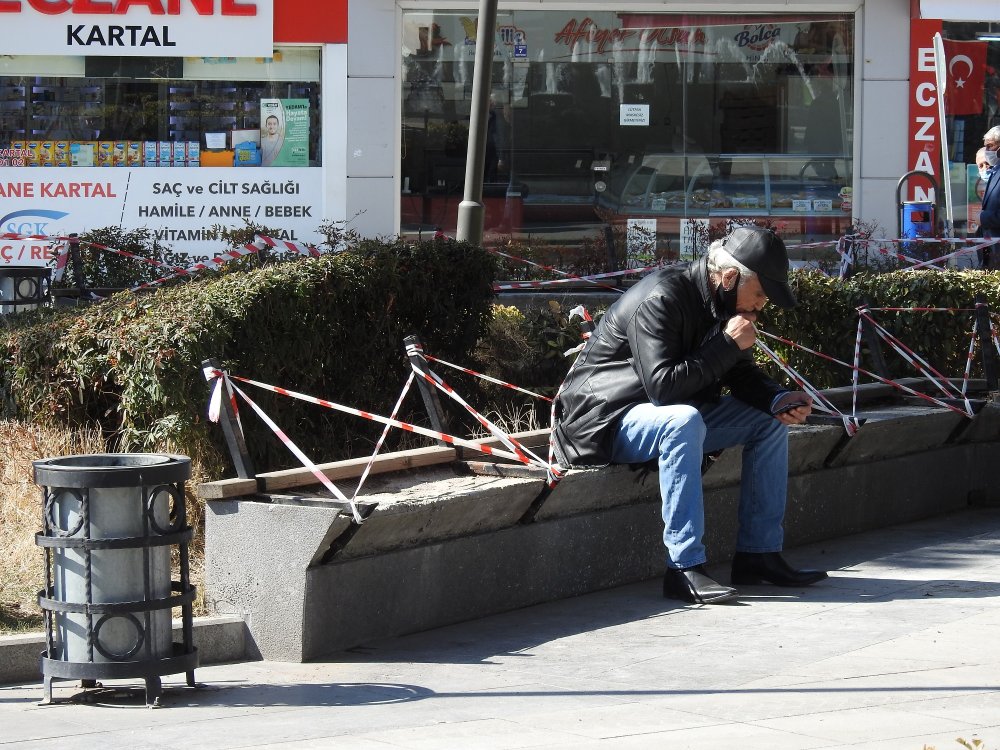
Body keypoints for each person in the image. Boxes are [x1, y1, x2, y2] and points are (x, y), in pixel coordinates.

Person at [551, 225, 827, 605]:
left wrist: (777, 399)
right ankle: (683, 568)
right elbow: (662, 388)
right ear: (730, 278)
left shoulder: (725, 302)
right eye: (761, 293)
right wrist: (728, 343)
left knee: (767, 421)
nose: (762, 305)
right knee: (682, 420)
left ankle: (758, 557)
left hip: (668, 417)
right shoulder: (662, 297)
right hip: (603, 421)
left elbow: (739, 374)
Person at [977, 127, 1000, 270]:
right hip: (991, 250)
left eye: (990, 146)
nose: (987, 151)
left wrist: (984, 218)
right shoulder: (995, 171)